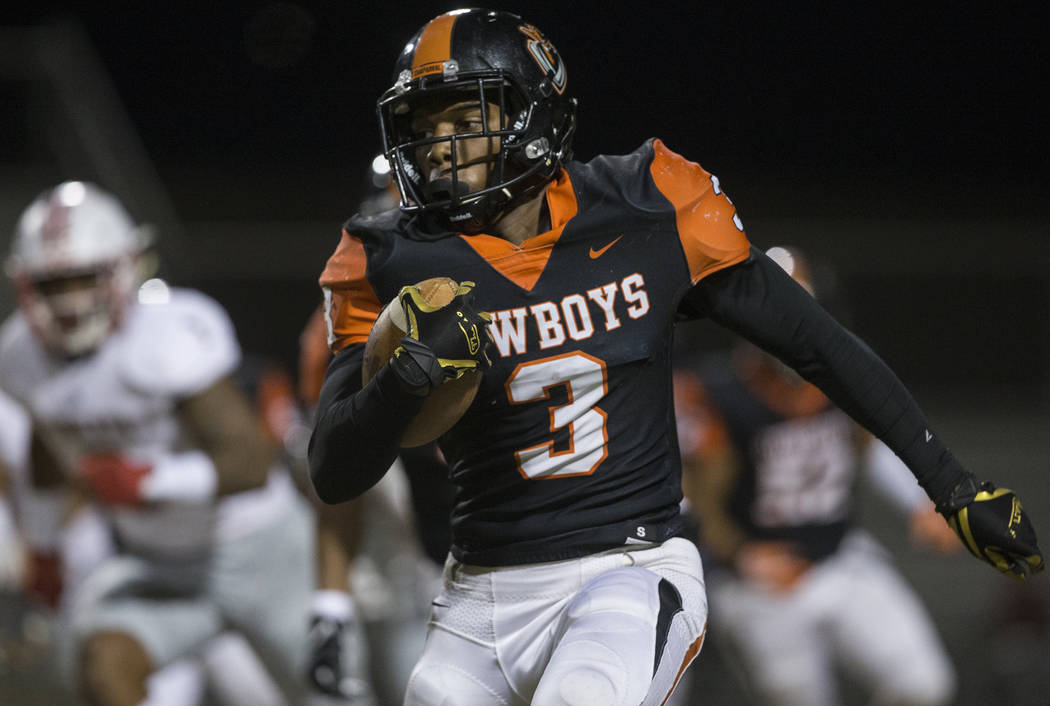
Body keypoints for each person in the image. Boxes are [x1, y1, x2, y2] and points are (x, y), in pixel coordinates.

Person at [308, 9, 1044, 706]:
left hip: (624, 574)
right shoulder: (386, 258)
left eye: (464, 121)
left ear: (532, 115)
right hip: (477, 589)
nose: (438, 146)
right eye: (424, 126)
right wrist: (406, 380)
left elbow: (815, 344)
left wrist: (949, 484)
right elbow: (335, 469)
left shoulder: (647, 205)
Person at [0, 181, 348, 706]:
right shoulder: (20, 355)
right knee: (103, 665)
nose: (70, 302)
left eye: (83, 278)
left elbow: (250, 461)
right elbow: (46, 444)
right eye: (54, 284)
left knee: (329, 693)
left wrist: (148, 481)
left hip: (255, 546)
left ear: (123, 269)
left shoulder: (166, 334)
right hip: (158, 561)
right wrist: (45, 547)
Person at [674, 246, 959, 705]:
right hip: (761, 583)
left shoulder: (841, 373)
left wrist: (919, 500)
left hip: (841, 557)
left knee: (922, 684)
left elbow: (868, 445)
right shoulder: (719, 393)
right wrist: (742, 554)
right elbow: (694, 497)